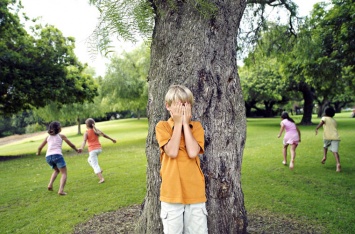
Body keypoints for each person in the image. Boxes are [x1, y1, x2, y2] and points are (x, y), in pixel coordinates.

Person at [155, 85, 208, 234]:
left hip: (195, 191)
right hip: (172, 192)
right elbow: (171, 151)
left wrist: (185, 123)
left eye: (185, 105)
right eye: (177, 106)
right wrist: (177, 123)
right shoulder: (162, 126)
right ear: (168, 106)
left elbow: (192, 152)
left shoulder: (196, 127)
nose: (182, 110)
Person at [36, 121, 80, 195]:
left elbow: (40, 147)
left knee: (56, 170)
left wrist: (38, 153)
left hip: (48, 157)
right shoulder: (61, 136)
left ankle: (50, 184)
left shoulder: (48, 137)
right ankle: (61, 190)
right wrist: (76, 150)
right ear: (59, 129)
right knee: (64, 173)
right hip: (57, 155)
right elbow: (71, 145)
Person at [79, 118, 116, 183]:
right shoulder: (96, 130)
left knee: (95, 164)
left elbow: (84, 141)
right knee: (89, 160)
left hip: (92, 150)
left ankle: (101, 179)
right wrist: (112, 139)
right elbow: (104, 135)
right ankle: (99, 170)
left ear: (86, 125)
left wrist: (81, 148)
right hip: (99, 149)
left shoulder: (86, 132)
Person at [315, 107, 341, 172]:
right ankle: (338, 164)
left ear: (325, 113)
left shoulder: (324, 118)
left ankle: (324, 157)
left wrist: (317, 128)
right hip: (336, 137)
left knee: (325, 146)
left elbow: (322, 122)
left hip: (327, 137)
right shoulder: (334, 120)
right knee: (335, 151)